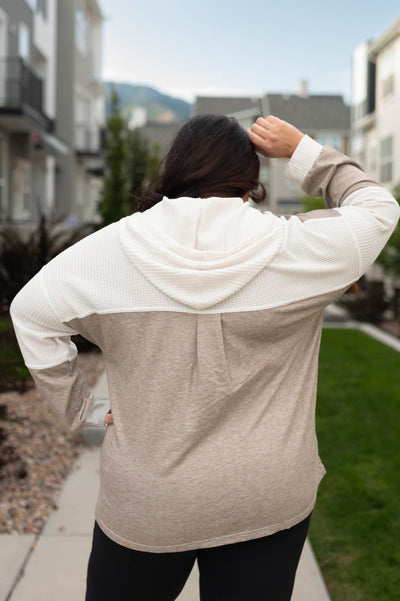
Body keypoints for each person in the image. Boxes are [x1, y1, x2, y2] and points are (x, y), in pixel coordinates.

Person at [10, 114, 399, 601]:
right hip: (265, 495)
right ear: (249, 182)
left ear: (174, 170)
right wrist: (304, 151)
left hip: (148, 500)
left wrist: (81, 410)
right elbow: (378, 208)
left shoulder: (107, 252)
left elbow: (30, 313)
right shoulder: (299, 249)